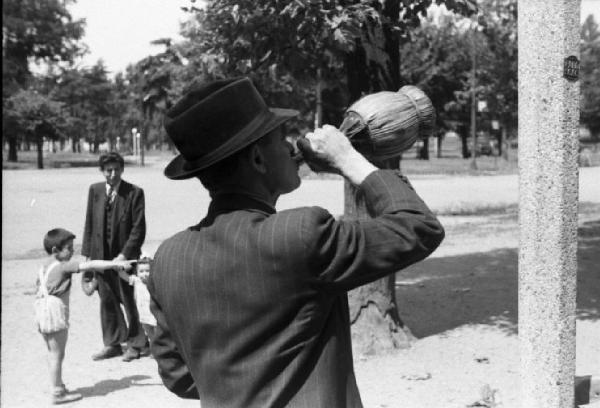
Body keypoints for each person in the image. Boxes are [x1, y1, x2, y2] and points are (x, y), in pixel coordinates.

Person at [148, 77, 445, 408]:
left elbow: (179, 376)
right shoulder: (301, 235)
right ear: (259, 160)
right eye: (279, 138)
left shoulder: (168, 258)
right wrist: (348, 160)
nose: (292, 146)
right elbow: (419, 227)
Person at [36, 228, 133, 404]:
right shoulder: (64, 265)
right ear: (55, 250)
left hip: (42, 311)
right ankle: (57, 393)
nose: (73, 251)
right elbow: (91, 265)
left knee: (52, 352)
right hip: (54, 312)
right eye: (69, 248)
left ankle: (57, 384)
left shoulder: (44, 266)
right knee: (58, 354)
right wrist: (113, 264)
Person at [81, 151, 147, 362]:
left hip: (123, 258)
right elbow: (89, 224)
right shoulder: (95, 190)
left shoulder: (134, 193)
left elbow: (138, 229)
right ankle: (113, 343)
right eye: (108, 170)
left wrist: (124, 255)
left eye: (116, 169)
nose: (112, 174)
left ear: (122, 169)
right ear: (102, 171)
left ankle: (136, 344)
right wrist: (88, 259)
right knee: (106, 300)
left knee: (129, 300)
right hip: (100, 256)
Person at [116, 255, 157, 344]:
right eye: (141, 271)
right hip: (143, 314)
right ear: (137, 272)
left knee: (157, 332)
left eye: (147, 271)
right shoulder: (137, 281)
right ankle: (153, 347)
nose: (144, 274)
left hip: (154, 314)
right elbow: (124, 276)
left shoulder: (154, 282)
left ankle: (160, 348)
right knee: (149, 332)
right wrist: (120, 268)